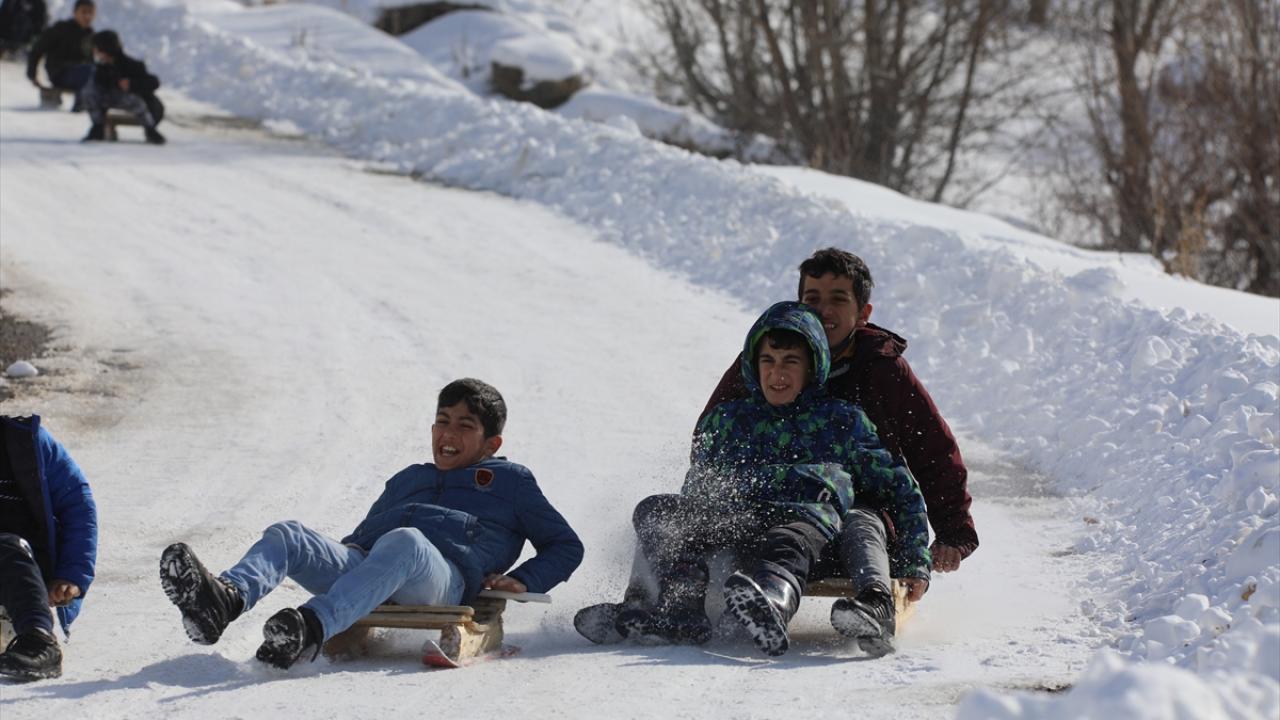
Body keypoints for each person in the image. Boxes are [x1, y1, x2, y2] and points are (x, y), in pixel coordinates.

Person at [576, 248, 975, 643]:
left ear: (863, 312)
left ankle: (869, 602)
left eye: (839, 299)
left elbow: (929, 454)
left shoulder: (875, 379)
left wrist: (945, 538)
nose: (824, 311)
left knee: (857, 518)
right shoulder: (752, 380)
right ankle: (653, 604)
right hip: (750, 514)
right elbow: (708, 452)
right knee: (661, 513)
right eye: (812, 299)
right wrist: (697, 514)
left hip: (834, 515)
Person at [160, 378, 584, 670]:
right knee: (289, 534)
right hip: (375, 563)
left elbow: (565, 545)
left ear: (491, 443)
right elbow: (363, 539)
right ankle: (224, 601)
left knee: (406, 541)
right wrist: (340, 562)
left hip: (443, 580)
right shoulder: (408, 478)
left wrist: (525, 579)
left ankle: (312, 626)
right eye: (442, 421)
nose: (447, 433)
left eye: (464, 426)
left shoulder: (511, 482)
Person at [610, 302, 930, 657]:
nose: (778, 374)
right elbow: (698, 487)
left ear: (811, 367)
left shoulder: (841, 422)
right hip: (736, 523)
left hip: (805, 526)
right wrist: (689, 525)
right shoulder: (727, 421)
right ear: (754, 365)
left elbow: (901, 490)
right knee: (657, 510)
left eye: (790, 362)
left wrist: (914, 561)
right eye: (769, 362)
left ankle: (773, 603)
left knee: (786, 538)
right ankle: (670, 604)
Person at [0, 415, 98, 681]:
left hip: (21, 589)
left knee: (7, 546)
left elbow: (77, 505)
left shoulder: (26, 443)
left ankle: (39, 640)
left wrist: (71, 575)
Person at [81, 30, 165, 144]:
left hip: (143, 107)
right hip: (113, 100)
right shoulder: (101, 68)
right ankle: (98, 127)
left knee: (134, 99)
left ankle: (150, 130)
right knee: (89, 92)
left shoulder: (131, 65)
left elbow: (153, 82)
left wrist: (132, 84)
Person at [24, 0, 92, 94]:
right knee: (91, 72)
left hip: (81, 72)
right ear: (75, 12)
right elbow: (38, 49)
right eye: (84, 12)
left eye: (90, 13)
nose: (87, 16)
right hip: (60, 73)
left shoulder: (90, 35)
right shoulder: (61, 29)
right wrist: (32, 74)